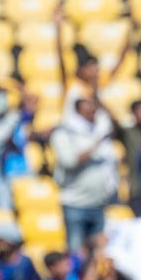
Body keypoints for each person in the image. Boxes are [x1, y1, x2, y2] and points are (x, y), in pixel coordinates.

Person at [50, 98, 118, 252]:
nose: (93, 114)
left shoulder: (98, 130)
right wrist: (96, 144)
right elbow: (69, 161)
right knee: (77, 253)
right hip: (75, 204)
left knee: (99, 253)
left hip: (99, 203)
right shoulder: (65, 132)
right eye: (89, 110)